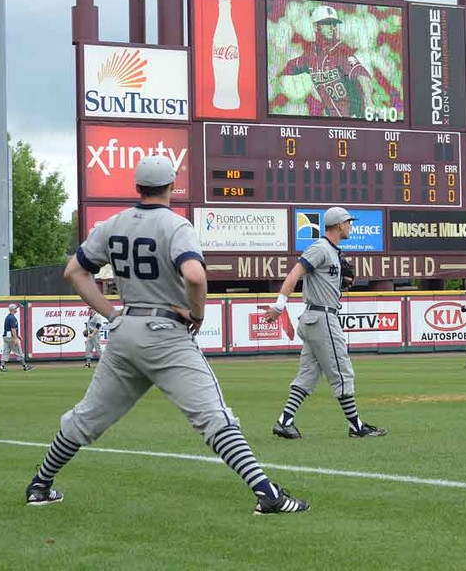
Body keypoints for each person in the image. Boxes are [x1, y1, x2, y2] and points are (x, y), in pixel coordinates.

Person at [25, 155, 308, 514]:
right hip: (165, 333)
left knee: (87, 416)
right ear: (171, 186)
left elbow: (74, 271)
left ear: (137, 187)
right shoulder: (176, 225)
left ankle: (40, 484)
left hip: (125, 331)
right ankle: (267, 494)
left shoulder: (112, 223)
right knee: (214, 417)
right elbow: (194, 276)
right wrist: (198, 313)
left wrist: (111, 312)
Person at [267, 206, 386, 440]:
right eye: (348, 223)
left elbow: (324, 279)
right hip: (321, 317)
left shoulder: (332, 252)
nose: (350, 226)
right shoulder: (320, 248)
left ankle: (284, 422)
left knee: (308, 375)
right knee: (342, 371)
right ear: (340, 225)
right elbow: (294, 274)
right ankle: (356, 426)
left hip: (316, 317)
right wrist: (279, 306)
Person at [276, 5, 374, 119]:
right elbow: (290, 66)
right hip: (332, 120)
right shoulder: (310, 54)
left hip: (354, 118)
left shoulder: (341, 51)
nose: (332, 27)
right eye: (327, 24)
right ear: (315, 26)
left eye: (334, 24)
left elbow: (362, 76)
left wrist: (369, 101)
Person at [1, 303, 32, 373]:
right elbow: (13, 329)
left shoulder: (8, 317)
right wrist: (15, 338)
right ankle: (25, 366)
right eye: (15, 308)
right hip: (11, 337)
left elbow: (9, 328)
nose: (16, 309)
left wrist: (17, 336)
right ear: (12, 309)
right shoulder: (12, 318)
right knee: (19, 352)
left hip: (6, 337)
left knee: (6, 351)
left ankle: (2, 366)